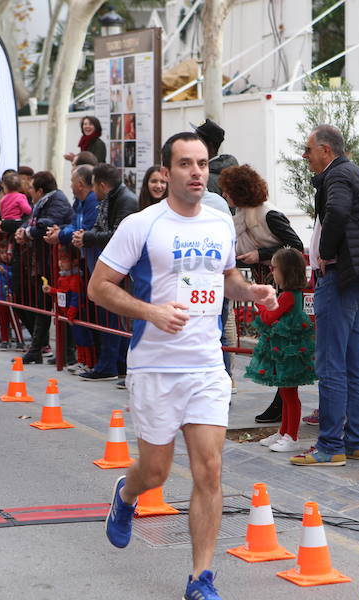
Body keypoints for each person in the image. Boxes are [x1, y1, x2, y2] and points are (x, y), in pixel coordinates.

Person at [90, 131, 277, 600]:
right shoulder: (142, 225)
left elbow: (226, 278)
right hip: (154, 366)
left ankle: (201, 577)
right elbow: (99, 287)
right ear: (166, 172)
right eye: (186, 164)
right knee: (155, 471)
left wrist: (250, 291)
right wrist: (151, 311)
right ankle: (127, 495)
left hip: (205, 366)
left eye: (202, 164)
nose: (197, 172)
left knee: (209, 471)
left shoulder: (218, 223)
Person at [290, 124, 359, 467]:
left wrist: (325, 253)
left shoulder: (337, 176)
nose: (305, 156)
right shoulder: (356, 173)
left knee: (330, 364)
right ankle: (357, 442)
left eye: (308, 150)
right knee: (354, 362)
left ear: (326, 150)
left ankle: (330, 446)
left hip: (340, 277)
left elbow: (338, 212)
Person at [217, 164, 305, 423]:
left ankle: (282, 406)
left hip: (283, 288)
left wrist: (261, 255)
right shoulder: (246, 215)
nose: (224, 197)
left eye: (227, 192)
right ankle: (280, 405)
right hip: (269, 284)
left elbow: (295, 245)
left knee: (283, 347)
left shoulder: (268, 215)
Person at [247, 247, 317, 453]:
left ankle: (291, 436)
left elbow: (269, 317)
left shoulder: (288, 295)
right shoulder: (290, 294)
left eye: (275, 268)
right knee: (286, 393)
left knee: (289, 395)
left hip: (289, 351)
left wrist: (258, 302)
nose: (272, 272)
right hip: (286, 350)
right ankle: (284, 431)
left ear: (285, 271)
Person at [72, 163, 138, 381]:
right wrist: (86, 235)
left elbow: (118, 235)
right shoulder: (111, 199)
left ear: (101, 185)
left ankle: (110, 365)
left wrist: (88, 238)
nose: (94, 193)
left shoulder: (125, 200)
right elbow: (102, 228)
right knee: (109, 316)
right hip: (111, 267)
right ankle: (115, 364)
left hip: (119, 270)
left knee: (113, 318)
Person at [13, 171, 73, 364]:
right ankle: (37, 349)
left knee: (62, 308)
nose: (28, 191)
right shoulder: (42, 202)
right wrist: (24, 230)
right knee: (42, 305)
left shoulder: (56, 200)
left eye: (31, 188)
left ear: (40, 190)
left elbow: (48, 224)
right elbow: (32, 221)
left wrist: (29, 231)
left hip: (58, 263)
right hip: (44, 262)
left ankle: (67, 352)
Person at [47, 164, 98, 371]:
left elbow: (84, 229)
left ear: (79, 184)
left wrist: (60, 235)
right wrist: (61, 232)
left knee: (86, 318)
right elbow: (73, 226)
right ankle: (83, 360)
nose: (70, 185)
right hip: (82, 265)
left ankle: (92, 361)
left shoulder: (92, 201)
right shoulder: (79, 201)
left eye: (71, 182)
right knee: (77, 321)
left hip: (89, 265)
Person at [42, 247, 94, 368]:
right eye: (60, 260)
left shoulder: (75, 279)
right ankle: (81, 362)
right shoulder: (63, 278)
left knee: (83, 339)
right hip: (69, 314)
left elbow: (76, 298)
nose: (60, 263)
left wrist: (70, 314)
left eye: (64, 260)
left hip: (76, 314)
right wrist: (51, 290)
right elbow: (62, 293)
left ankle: (87, 363)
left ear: (74, 262)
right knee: (78, 339)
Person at [194, 119, 239, 196]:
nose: (193, 144)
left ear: (209, 145)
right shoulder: (228, 170)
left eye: (197, 140)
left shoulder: (207, 180)